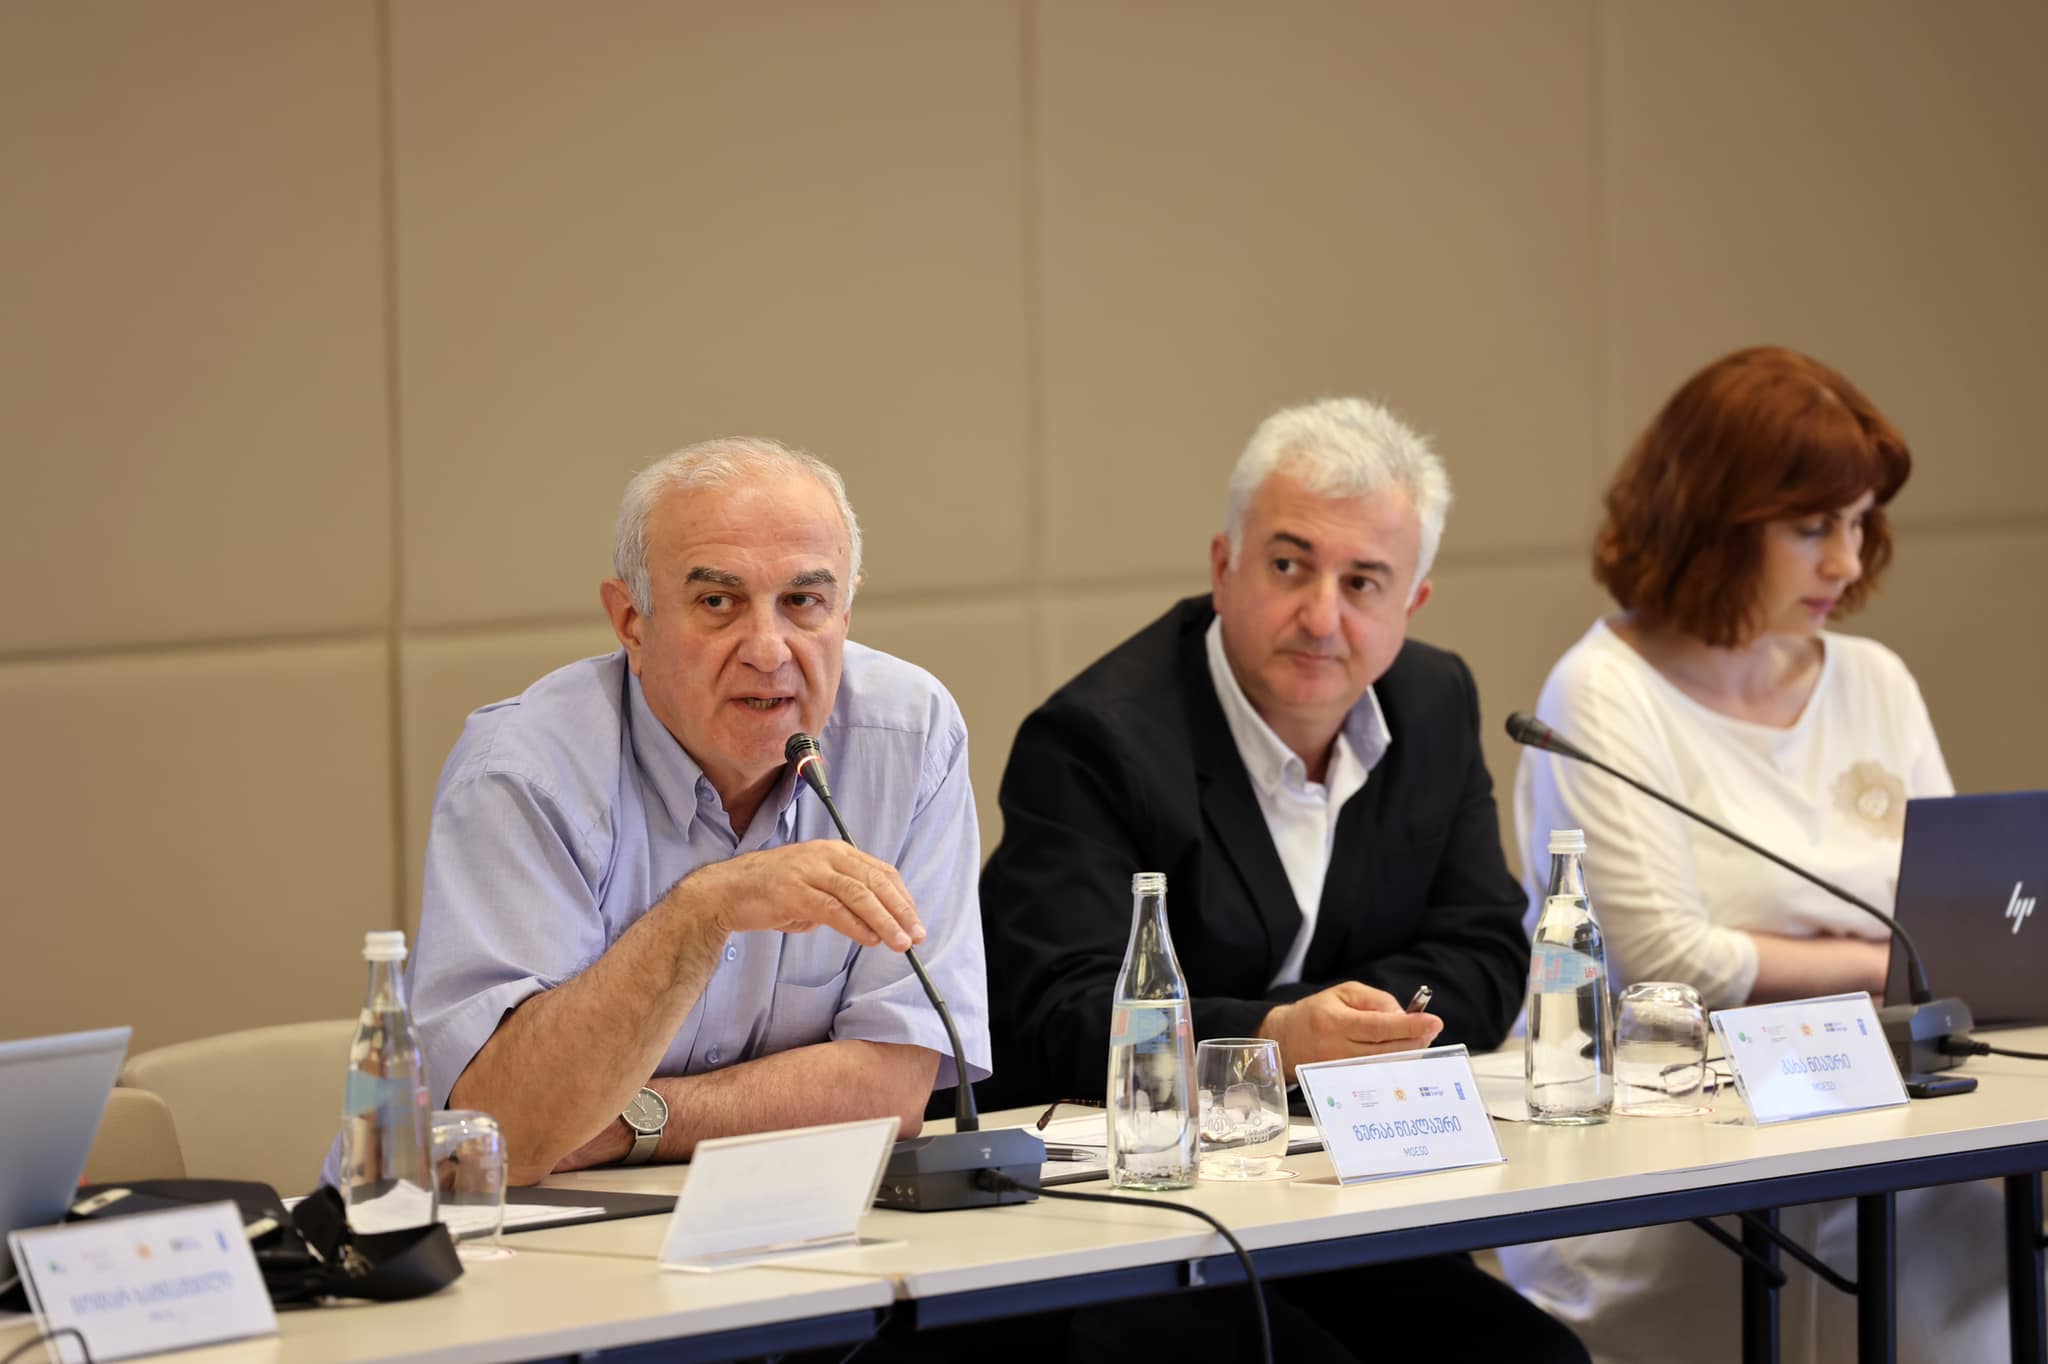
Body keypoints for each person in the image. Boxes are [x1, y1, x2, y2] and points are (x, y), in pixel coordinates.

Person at [981, 397, 1586, 1364]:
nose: (1321, 616)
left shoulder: (1433, 700)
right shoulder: (1095, 741)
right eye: (1290, 566)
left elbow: (1482, 949)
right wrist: (1274, 1039)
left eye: (1363, 582)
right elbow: (1061, 1012)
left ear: (1411, 603)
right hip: (1139, 1220)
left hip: (1346, 1186)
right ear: (1224, 566)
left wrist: (1351, 1030)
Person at [1502, 346, 2016, 1362]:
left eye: (1859, 522)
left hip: (1893, 1135)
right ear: (1710, 521)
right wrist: (1883, 962)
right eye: (1812, 527)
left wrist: (1808, 956)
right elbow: (1666, 962)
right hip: (1683, 1174)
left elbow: (1954, 922)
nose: (1847, 562)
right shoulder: (1601, 692)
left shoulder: (1874, 680)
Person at [372, 437, 989, 1187]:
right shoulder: (524, 772)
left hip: (777, 1212)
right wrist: (703, 911)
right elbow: (509, 1131)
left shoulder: (910, 737)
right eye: (718, 603)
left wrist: (632, 1120)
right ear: (631, 621)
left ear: (846, 612)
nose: (769, 650)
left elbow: (893, 1086)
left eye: (803, 602)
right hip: (503, 1231)